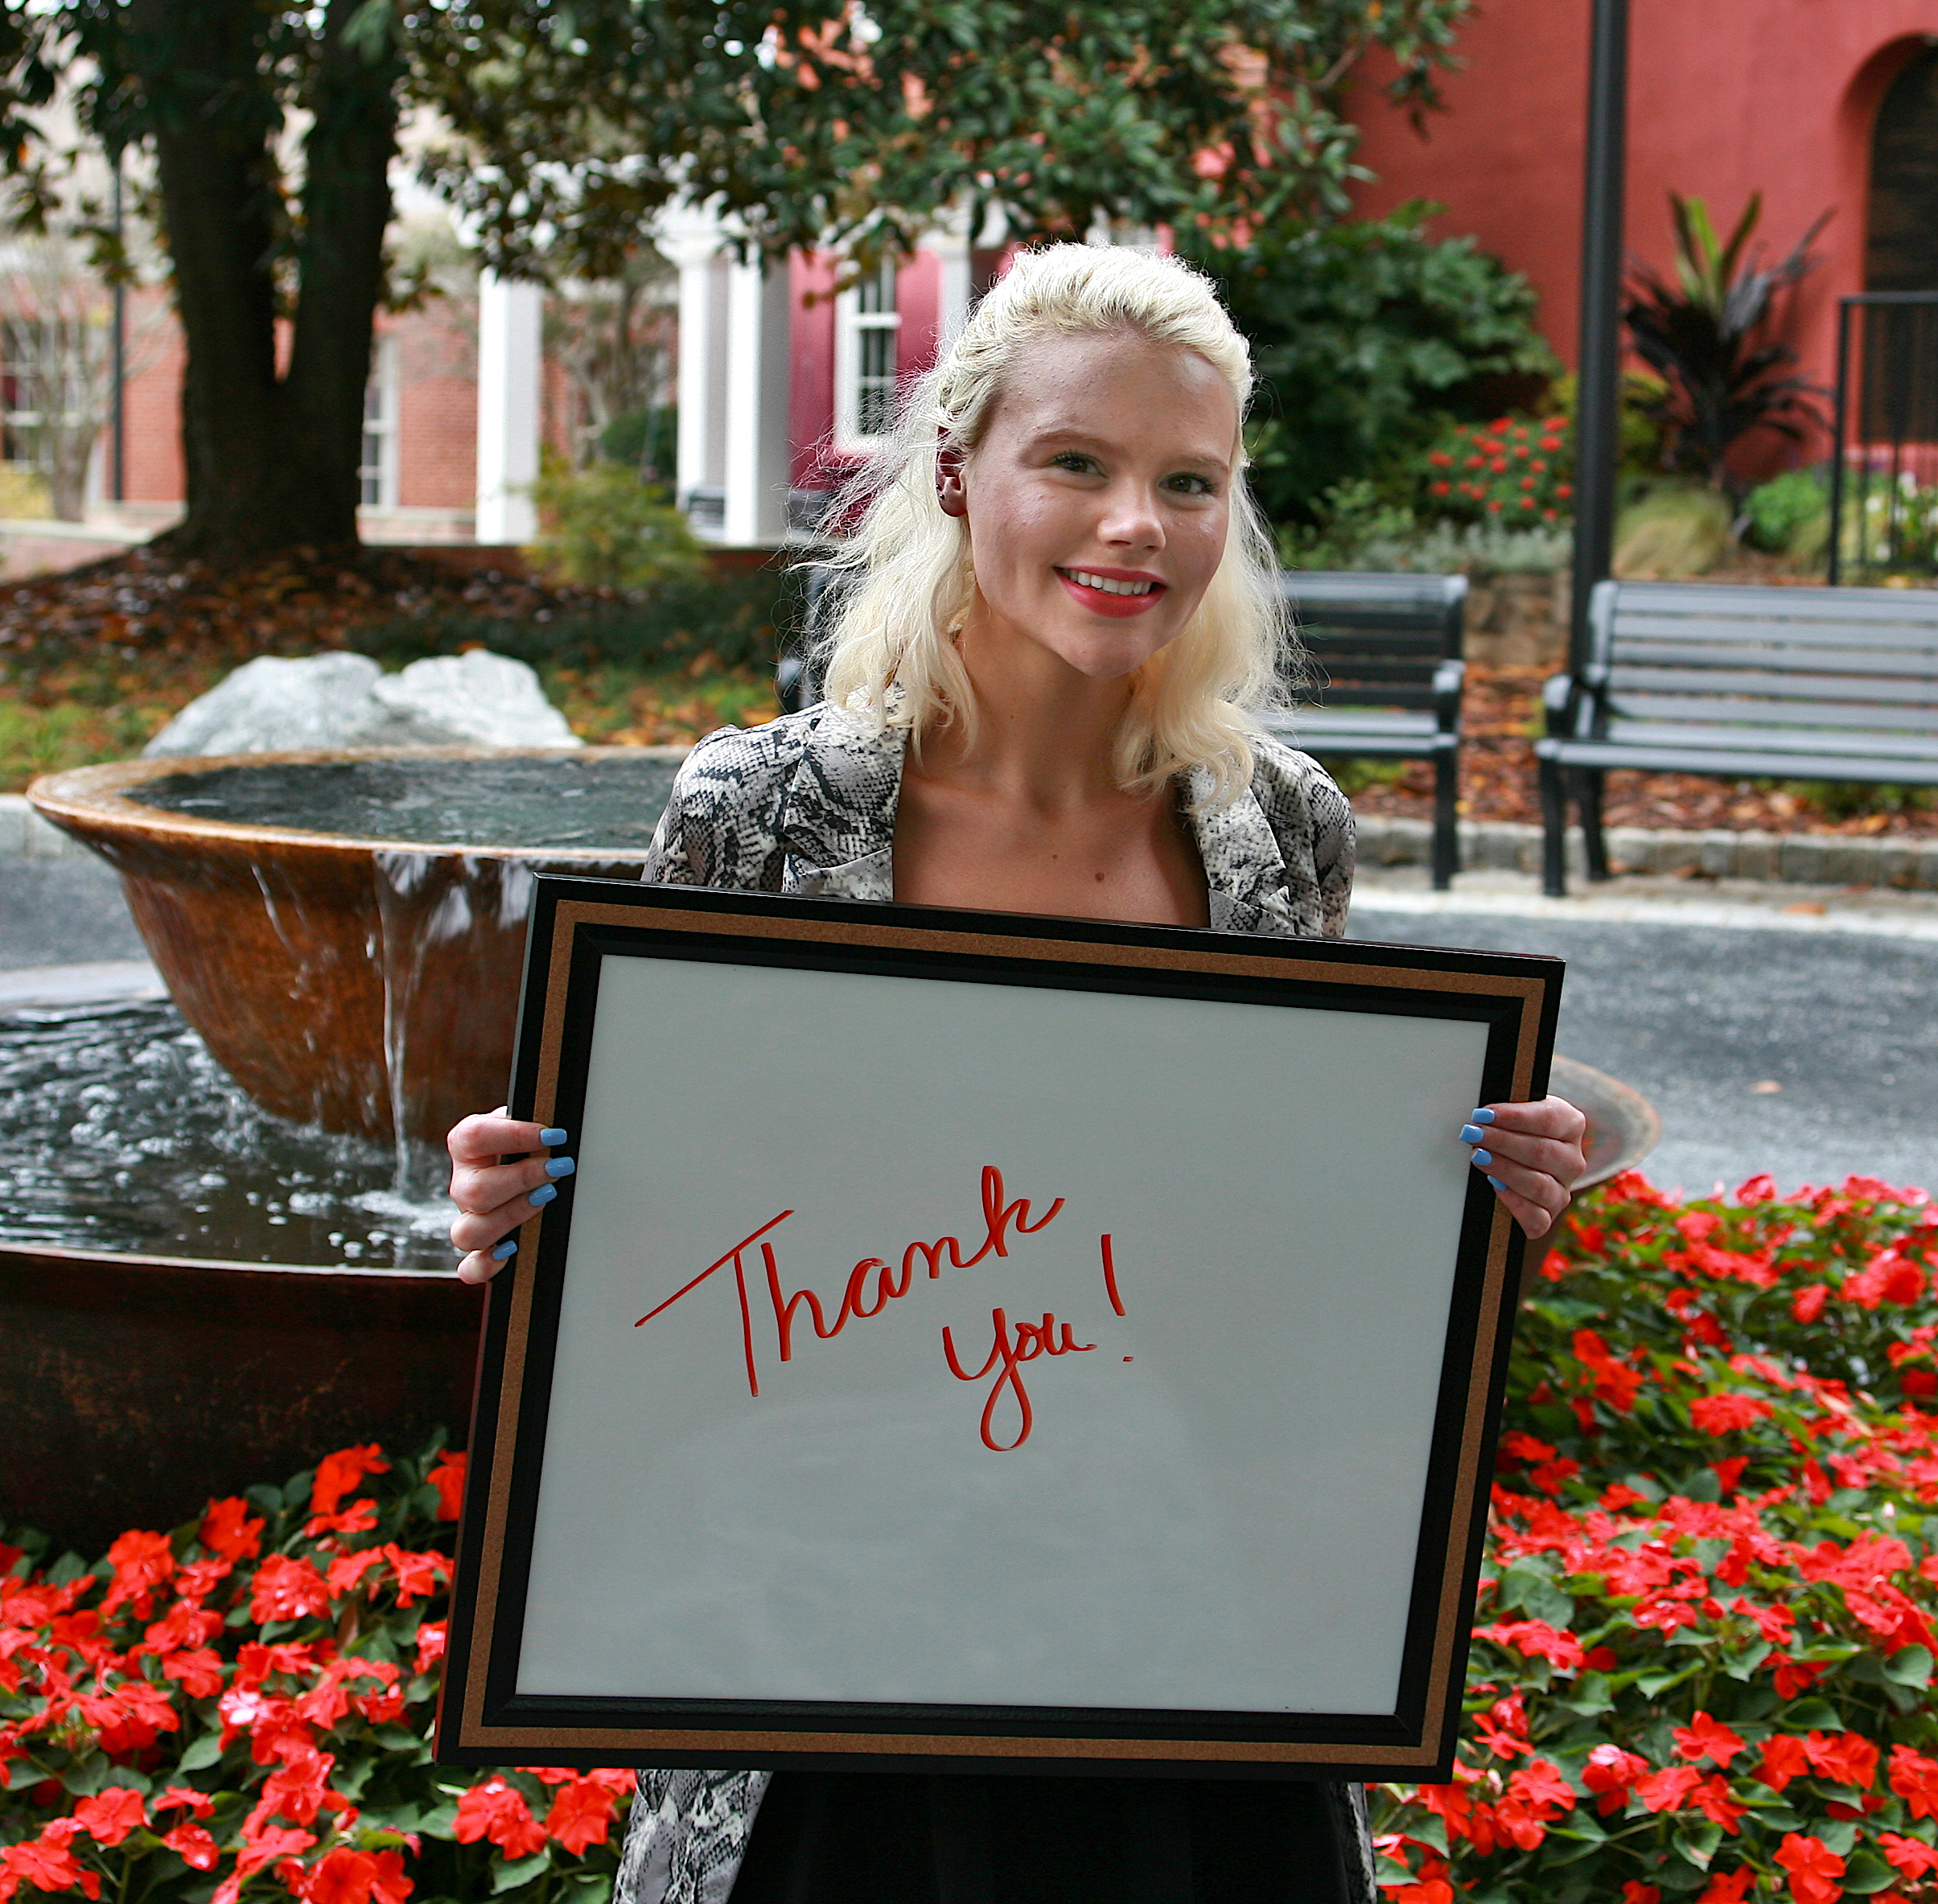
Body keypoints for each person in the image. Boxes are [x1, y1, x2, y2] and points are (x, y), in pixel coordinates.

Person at [446, 244, 1586, 1904]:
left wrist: (1468, 1196)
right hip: (825, 1665)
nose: (1137, 523)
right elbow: (649, 1241)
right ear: (958, 470)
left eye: (1185, 482)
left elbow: (1293, 1243)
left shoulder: (1274, 827)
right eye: (1077, 462)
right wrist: (524, 1194)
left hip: (1189, 1660)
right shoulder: (758, 813)